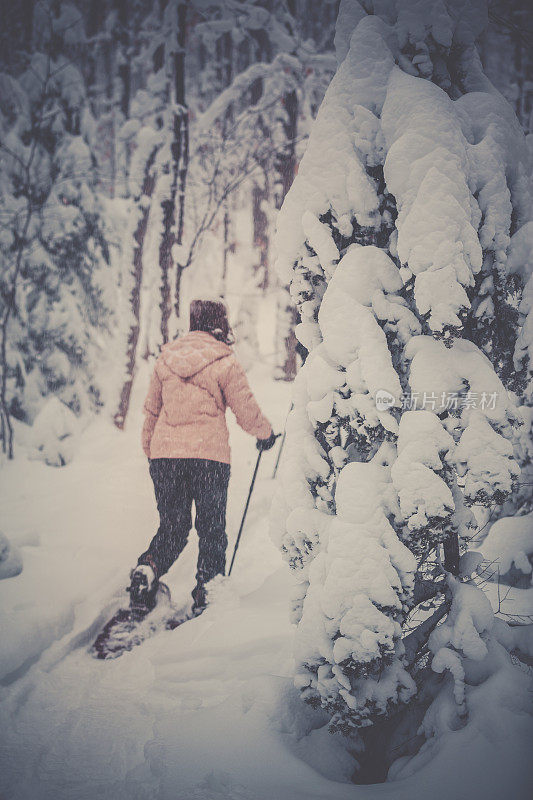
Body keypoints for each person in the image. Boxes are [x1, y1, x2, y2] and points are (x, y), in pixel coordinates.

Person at [128, 298, 276, 616]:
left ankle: (149, 568)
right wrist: (265, 434)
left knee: (174, 526)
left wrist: (153, 453)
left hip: (165, 457)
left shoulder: (165, 360)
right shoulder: (225, 361)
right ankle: (207, 594)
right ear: (220, 325)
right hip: (209, 459)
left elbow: (151, 412)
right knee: (211, 528)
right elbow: (245, 409)